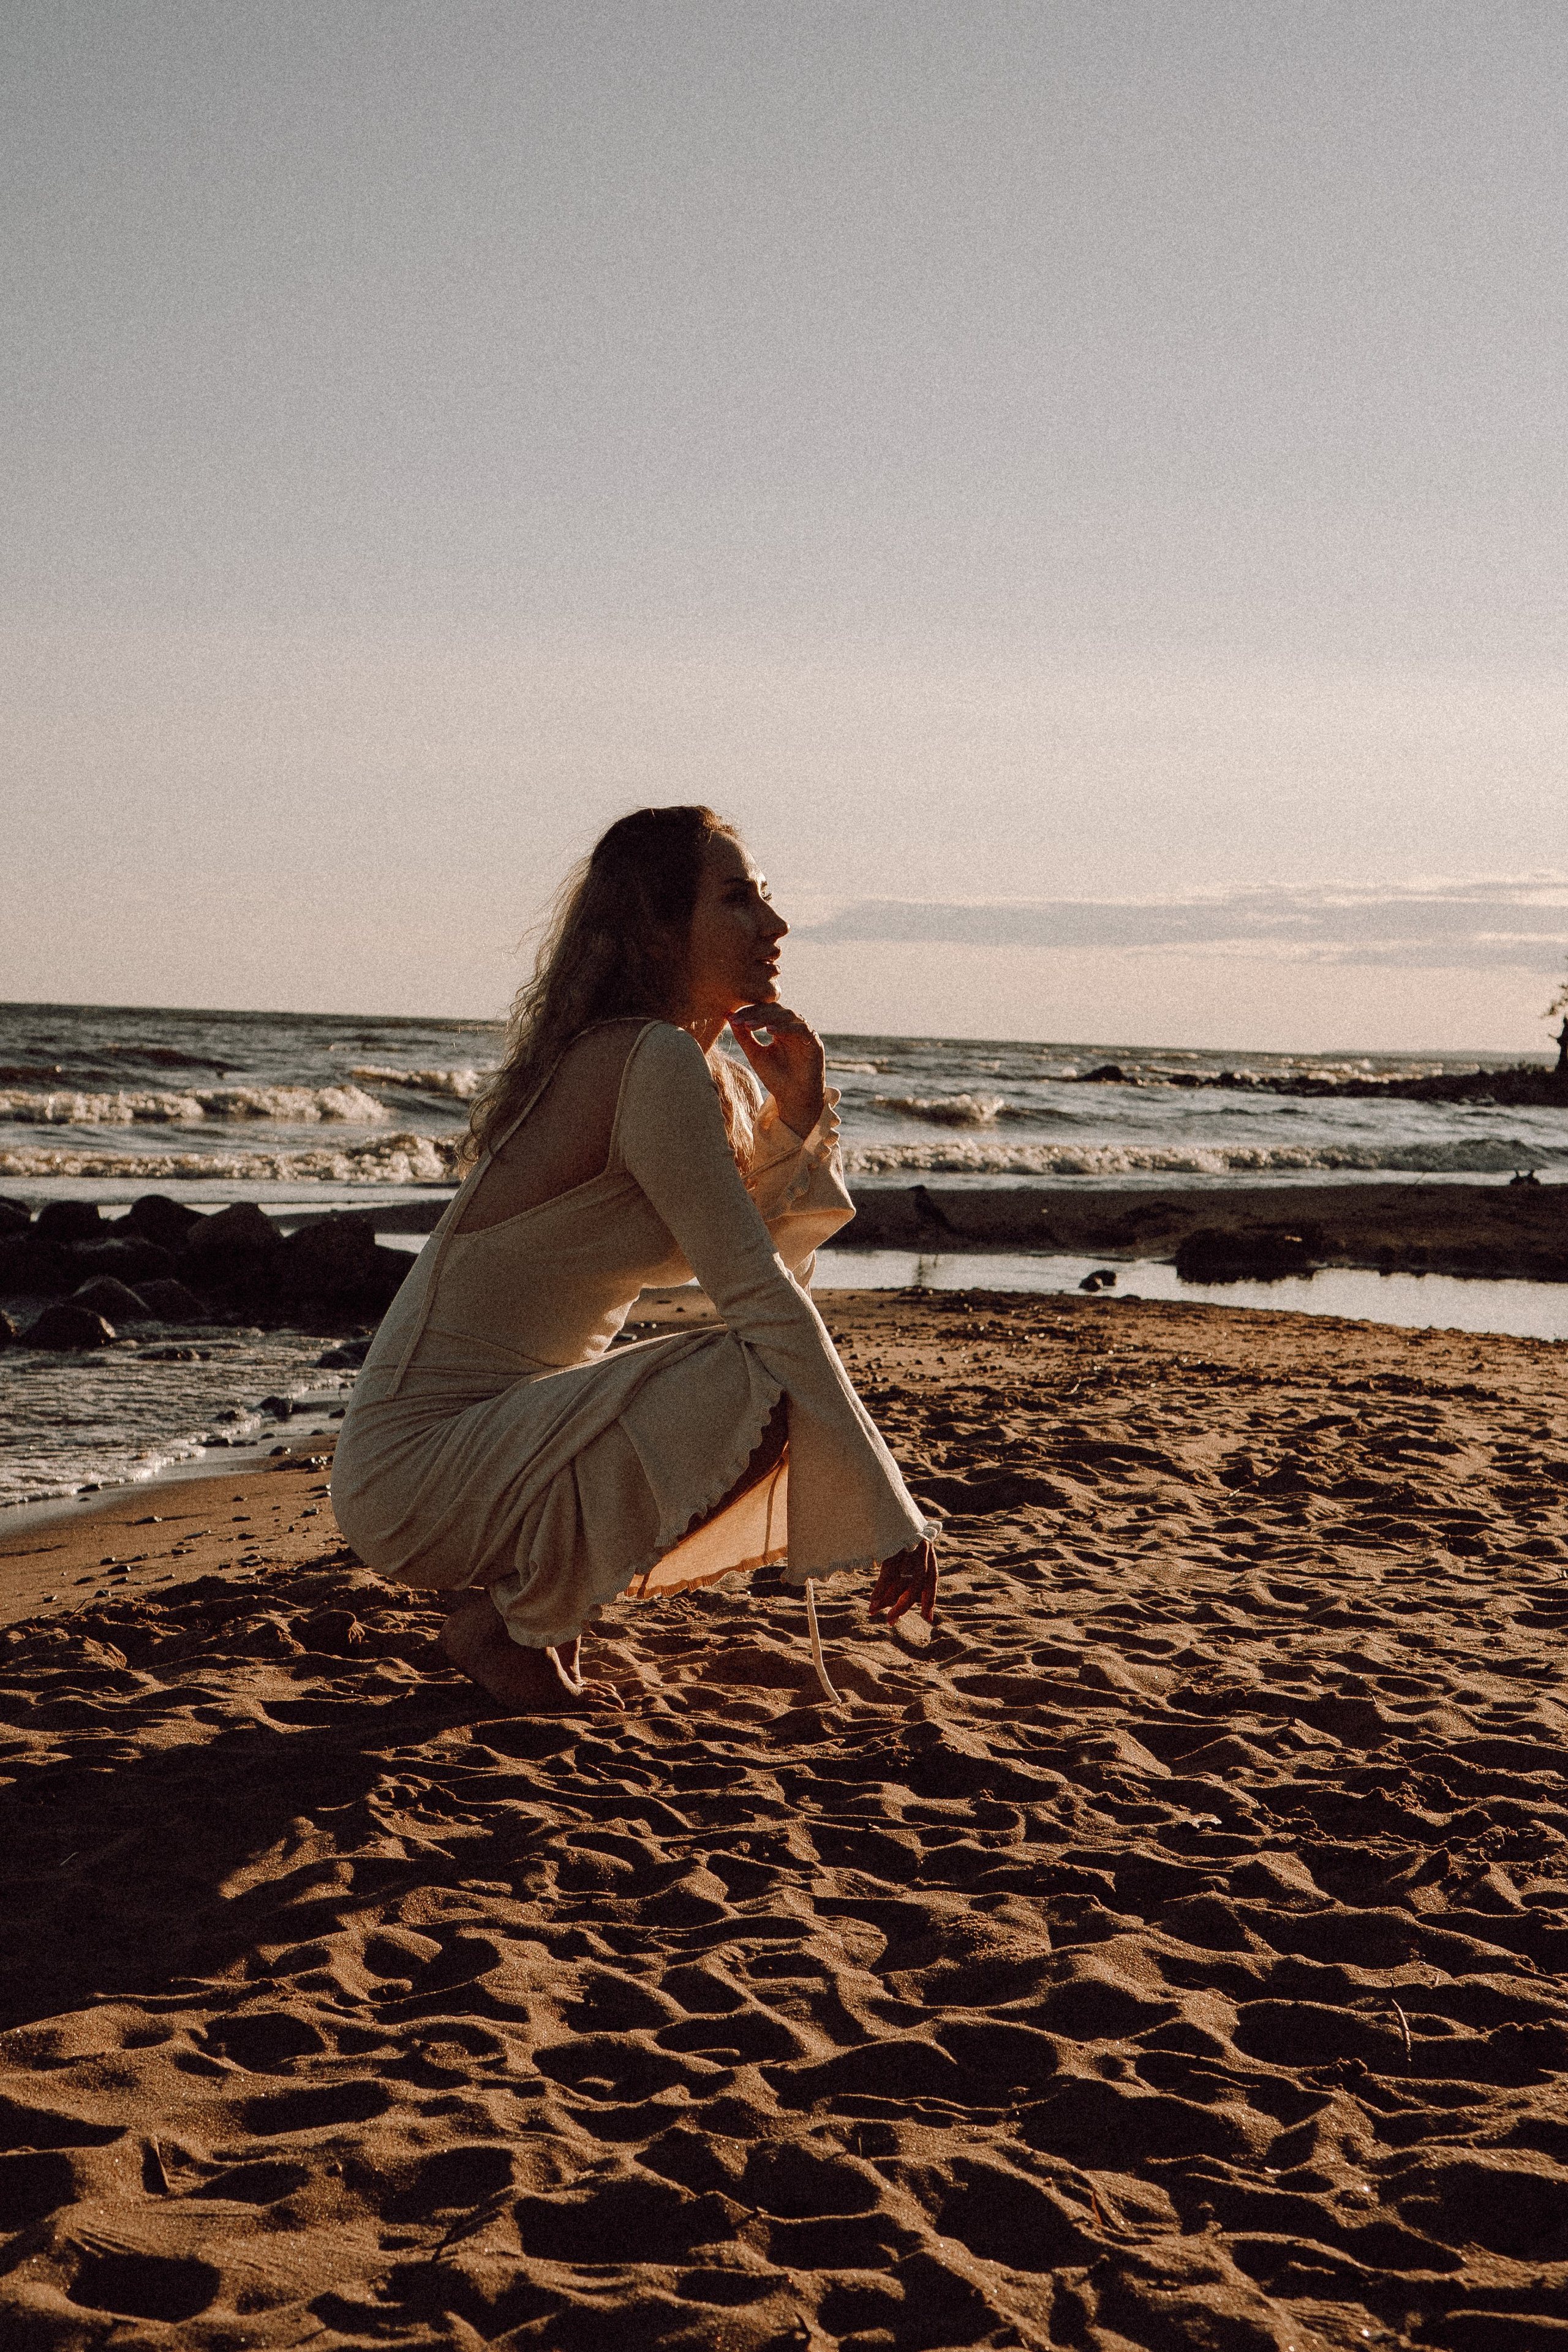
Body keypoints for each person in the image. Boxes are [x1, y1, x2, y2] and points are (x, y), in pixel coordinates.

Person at [330, 805, 937, 1710]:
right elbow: (760, 1298)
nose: (773, 926)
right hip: (416, 1468)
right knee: (762, 1370)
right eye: (737, 900)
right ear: (657, 928)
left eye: (767, 899)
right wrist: (895, 1511)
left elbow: (766, 1270)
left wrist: (799, 1115)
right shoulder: (644, 1059)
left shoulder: (694, 1073)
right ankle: (508, 1627)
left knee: (766, 1367)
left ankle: (526, 1623)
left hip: (503, 1441)